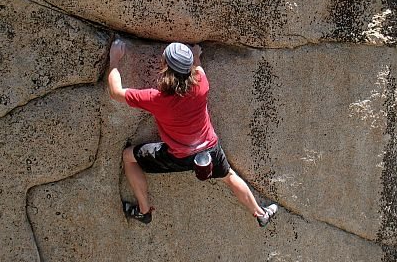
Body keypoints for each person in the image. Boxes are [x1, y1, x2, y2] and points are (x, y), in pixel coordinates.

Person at [107, 39, 277, 227]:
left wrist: (114, 60)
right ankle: (260, 213)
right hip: (210, 150)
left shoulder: (156, 99)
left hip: (178, 157)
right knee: (229, 176)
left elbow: (116, 92)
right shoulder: (201, 84)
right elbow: (198, 66)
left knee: (128, 156)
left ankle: (144, 210)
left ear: (165, 66)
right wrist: (195, 54)